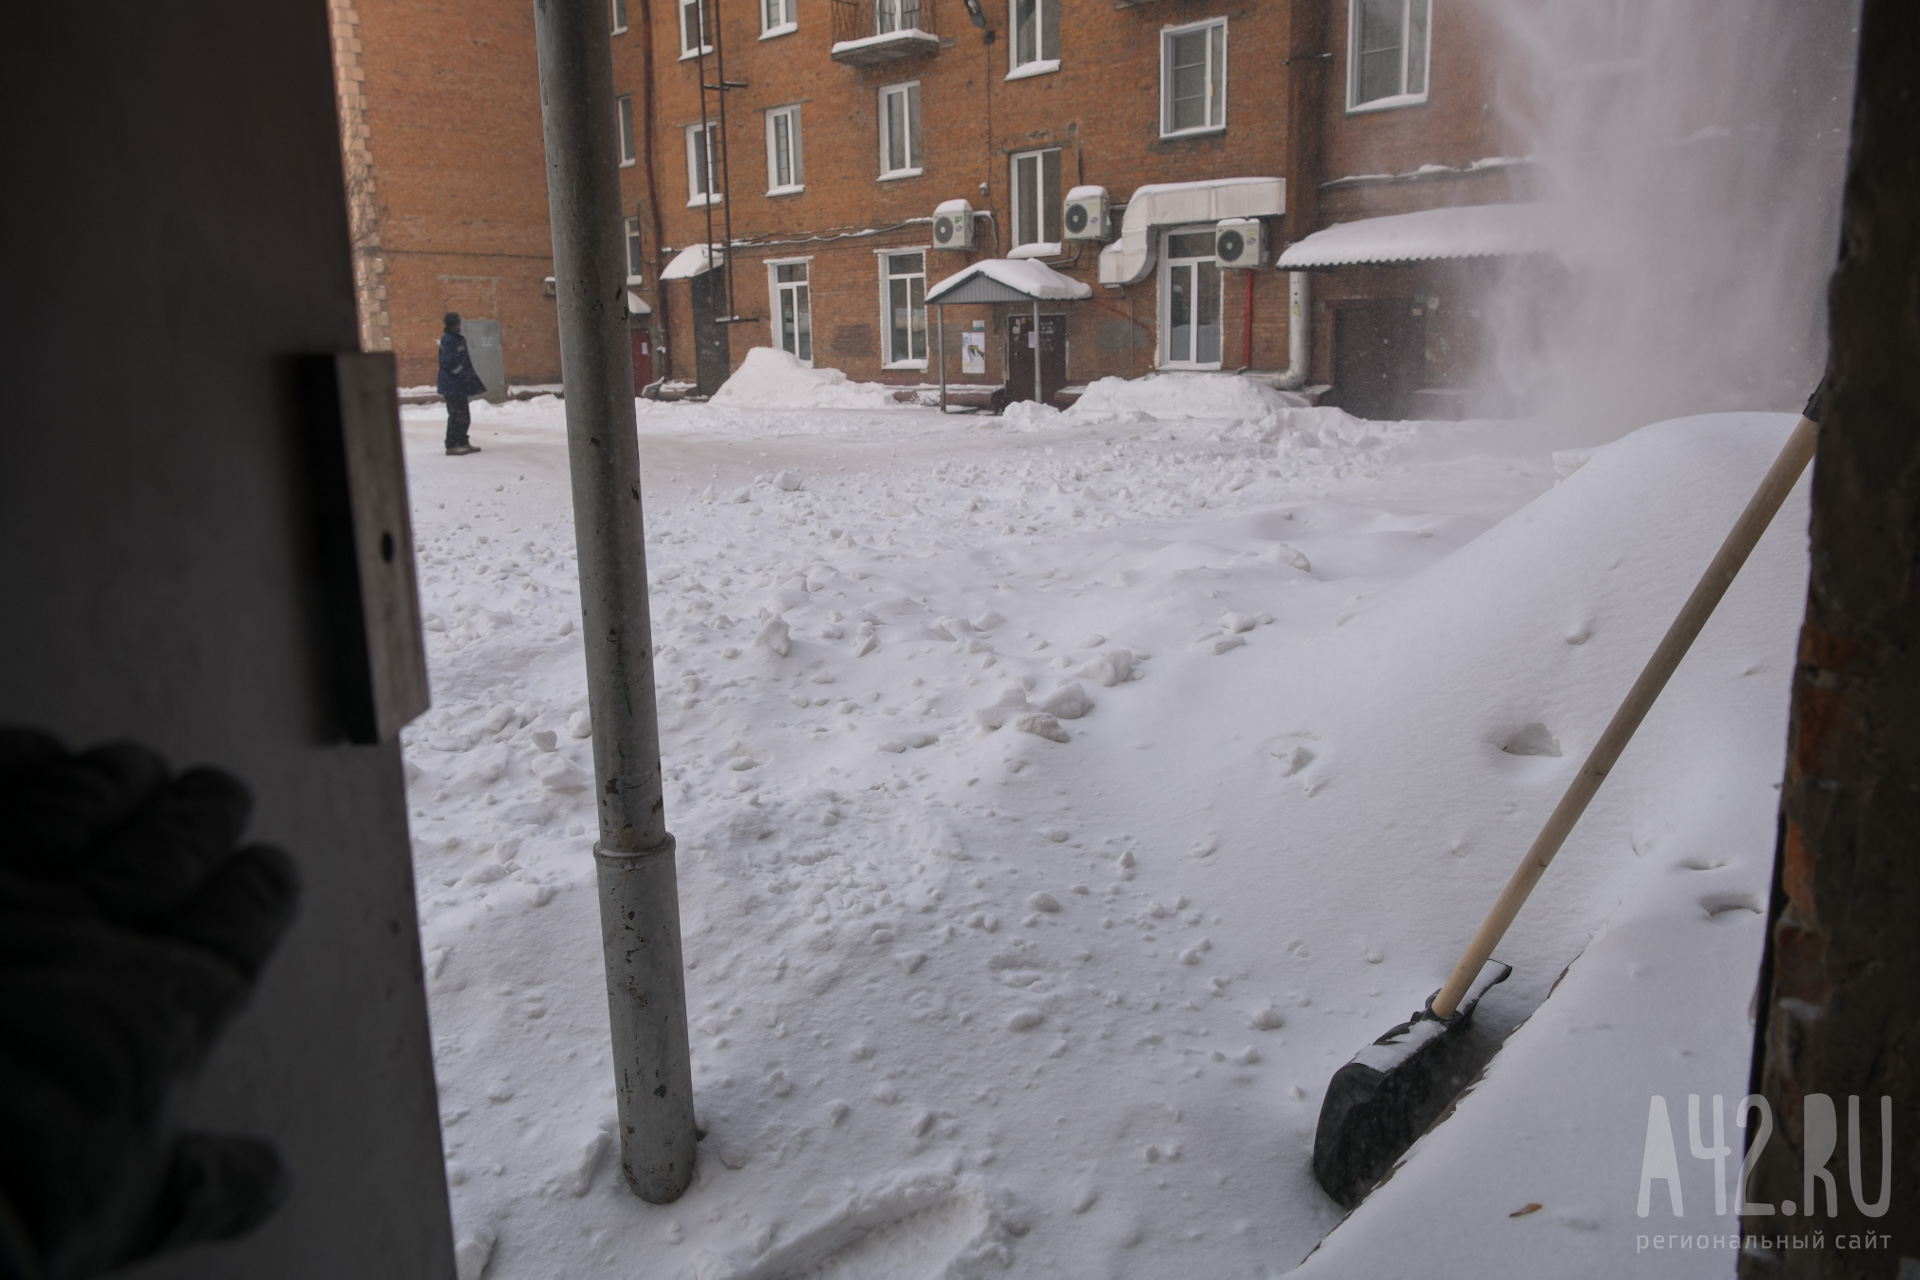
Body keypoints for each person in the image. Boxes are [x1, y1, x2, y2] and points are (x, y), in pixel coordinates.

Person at [437, 312, 487, 455]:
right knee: (456, 415)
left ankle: (463, 442)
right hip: (451, 385)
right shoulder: (448, 339)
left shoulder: (457, 338)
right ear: (454, 324)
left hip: (458, 385)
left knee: (464, 415)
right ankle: (452, 445)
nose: (461, 324)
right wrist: (461, 375)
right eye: (459, 322)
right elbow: (448, 362)